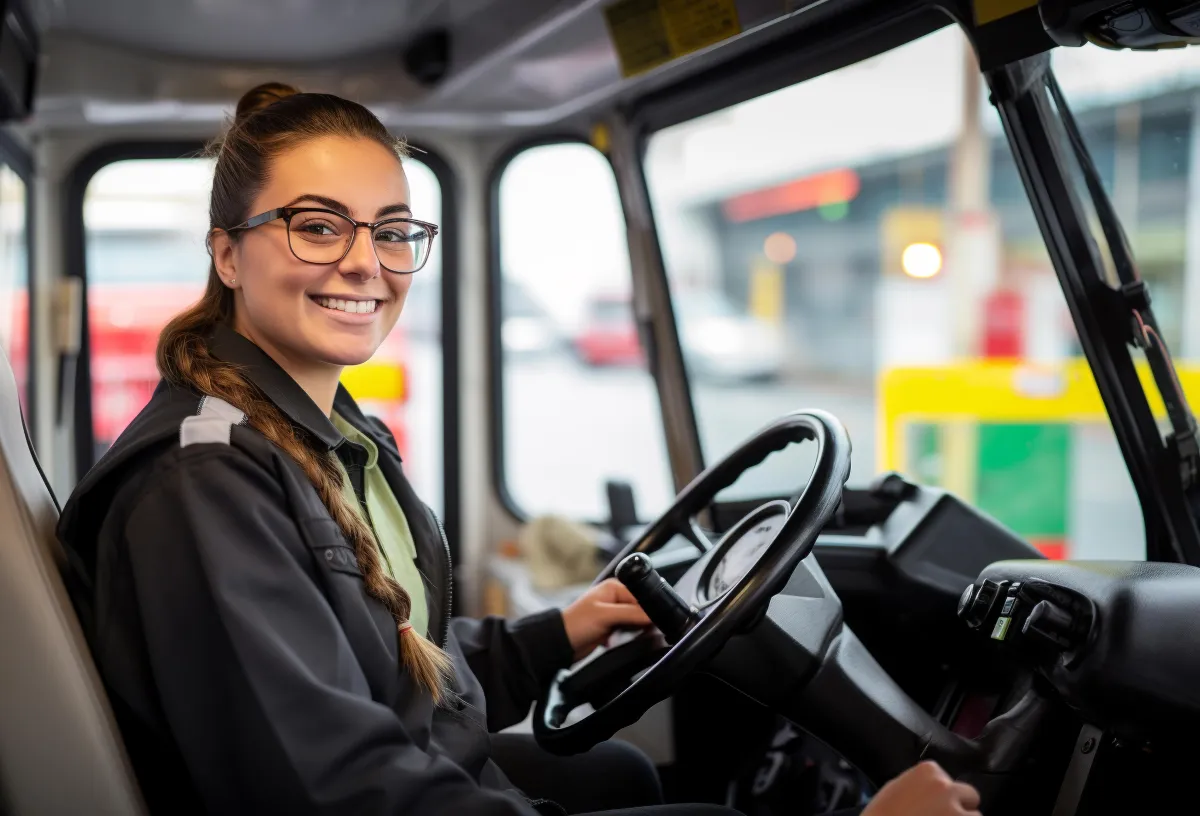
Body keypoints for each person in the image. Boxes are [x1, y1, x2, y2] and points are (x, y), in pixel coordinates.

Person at [56, 82, 981, 816]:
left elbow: (384, 665)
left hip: (406, 778)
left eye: (390, 230)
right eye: (317, 224)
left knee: (619, 773)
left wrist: (556, 634)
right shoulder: (204, 480)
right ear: (227, 254)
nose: (364, 262)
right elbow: (336, 788)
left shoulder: (328, 439)